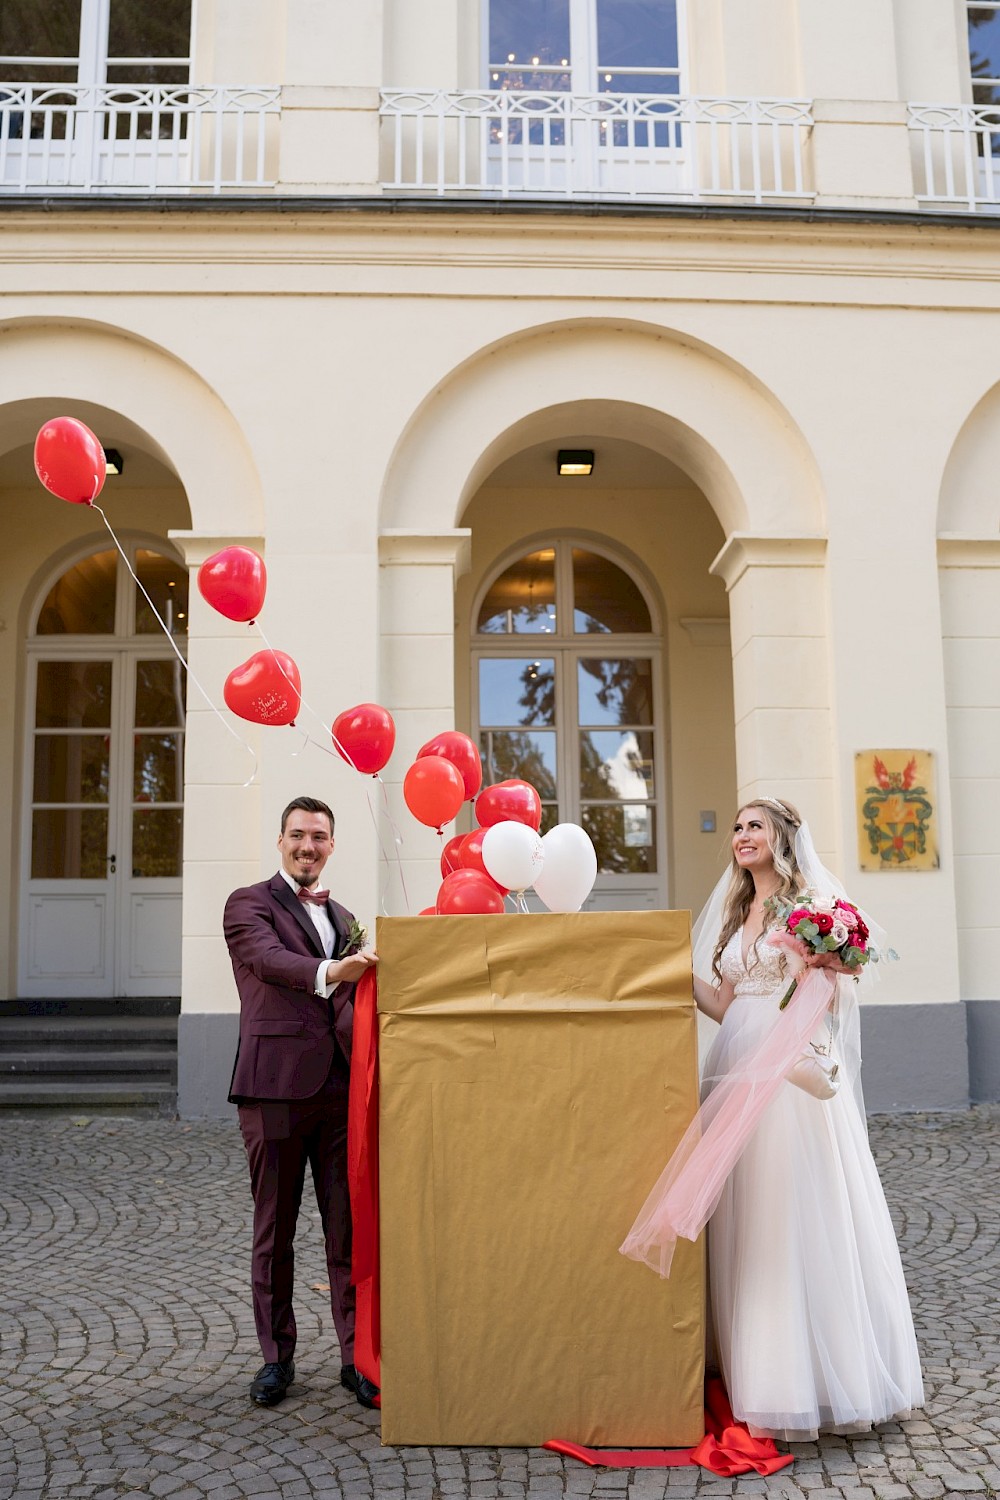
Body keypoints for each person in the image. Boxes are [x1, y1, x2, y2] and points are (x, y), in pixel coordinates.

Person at [621, 796, 924, 1441]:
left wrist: (796, 1019)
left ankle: (801, 1380)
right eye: (734, 826)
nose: (740, 835)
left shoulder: (811, 905)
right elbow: (724, 1001)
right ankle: (748, 1365)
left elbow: (833, 987)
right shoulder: (738, 913)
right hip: (735, 1058)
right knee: (742, 1212)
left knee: (788, 1210)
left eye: (754, 825)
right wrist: (666, 972)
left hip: (784, 1070)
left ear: (783, 834)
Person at [224, 795, 380, 1410]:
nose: (307, 846)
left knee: (347, 1231)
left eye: (318, 836)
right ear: (281, 840)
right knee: (275, 1231)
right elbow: (271, 962)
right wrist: (335, 971)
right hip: (273, 1090)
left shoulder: (344, 916)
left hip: (339, 1093)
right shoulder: (248, 904)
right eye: (297, 835)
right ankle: (276, 1359)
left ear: (332, 845)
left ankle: (356, 1358)